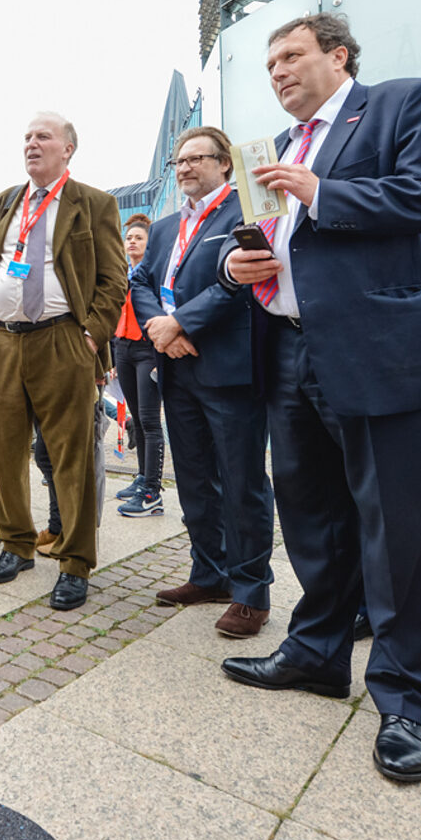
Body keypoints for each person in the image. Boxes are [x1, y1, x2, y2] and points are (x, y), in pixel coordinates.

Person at [218, 14, 421, 784]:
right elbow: (288, 245)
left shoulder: (404, 104)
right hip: (293, 345)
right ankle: (317, 653)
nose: (277, 71)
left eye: (291, 55)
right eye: (268, 64)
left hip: (383, 351)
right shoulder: (280, 149)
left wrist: (325, 191)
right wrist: (248, 265)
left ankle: (407, 700)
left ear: (339, 56)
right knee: (311, 515)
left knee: (401, 533)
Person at [0, 112, 127, 612]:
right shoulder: (4, 202)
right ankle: (17, 544)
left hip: (62, 343)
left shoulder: (94, 204)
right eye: (27, 138)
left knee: (71, 457)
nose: (32, 144)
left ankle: (75, 563)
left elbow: (114, 279)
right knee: (1, 452)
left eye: (43, 137)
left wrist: (88, 337)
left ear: (67, 149)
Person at [132, 127, 274, 639]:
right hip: (177, 365)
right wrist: (161, 330)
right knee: (193, 477)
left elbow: (255, 276)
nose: (186, 168)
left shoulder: (248, 212)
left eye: (197, 158)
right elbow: (141, 281)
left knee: (241, 481)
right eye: (179, 161)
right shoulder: (168, 226)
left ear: (225, 164)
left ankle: (251, 591)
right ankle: (208, 573)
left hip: (229, 365)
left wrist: (183, 322)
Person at [110, 213, 165, 516]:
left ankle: (152, 493)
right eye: (128, 237)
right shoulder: (123, 272)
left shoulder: (154, 273)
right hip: (123, 347)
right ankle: (143, 478)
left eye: (138, 237)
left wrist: (160, 357)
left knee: (150, 420)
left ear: (149, 242)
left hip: (147, 350)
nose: (131, 241)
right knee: (137, 419)